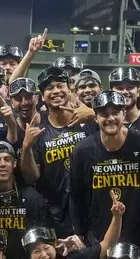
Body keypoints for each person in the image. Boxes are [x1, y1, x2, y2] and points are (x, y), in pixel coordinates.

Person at [69, 91, 140, 259]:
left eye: (115, 112)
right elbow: (75, 196)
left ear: (124, 114)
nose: (110, 118)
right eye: (104, 113)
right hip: (98, 241)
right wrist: (79, 235)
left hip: (138, 239)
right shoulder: (83, 151)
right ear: (95, 117)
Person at [20, 66, 87, 237]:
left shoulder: (87, 122)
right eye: (49, 88)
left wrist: (94, 114)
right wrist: (26, 147)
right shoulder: (39, 129)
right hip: (55, 214)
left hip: (89, 209)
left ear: (69, 88)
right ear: (43, 96)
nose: (55, 91)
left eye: (60, 86)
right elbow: (31, 177)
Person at [109, 67, 140, 133]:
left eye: (130, 88)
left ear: (138, 92)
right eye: (119, 88)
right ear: (111, 93)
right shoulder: (106, 121)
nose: (125, 92)